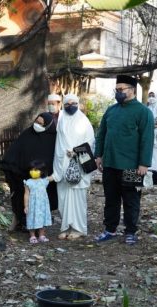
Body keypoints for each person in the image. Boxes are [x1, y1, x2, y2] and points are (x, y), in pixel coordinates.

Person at [94, 75, 154, 245]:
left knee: (131, 199)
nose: (118, 92)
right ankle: (110, 229)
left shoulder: (143, 112)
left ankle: (130, 231)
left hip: (132, 166)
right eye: (117, 89)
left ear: (132, 90)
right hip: (110, 164)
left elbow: (147, 139)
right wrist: (98, 155)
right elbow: (101, 134)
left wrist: (144, 163)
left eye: (121, 89)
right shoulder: (111, 110)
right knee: (111, 198)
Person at [0, 113, 58, 232]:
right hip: (23, 175)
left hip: (42, 178)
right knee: (19, 197)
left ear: (47, 125)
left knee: (40, 202)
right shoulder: (28, 133)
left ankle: (38, 226)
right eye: (36, 122)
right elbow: (15, 150)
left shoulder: (53, 138)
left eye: (41, 123)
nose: (37, 125)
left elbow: (55, 157)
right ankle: (17, 221)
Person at [51, 94, 95, 240]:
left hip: (78, 164)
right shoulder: (61, 119)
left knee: (77, 198)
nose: (70, 105)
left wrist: (76, 151)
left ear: (78, 103)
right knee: (63, 197)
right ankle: (65, 226)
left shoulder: (84, 121)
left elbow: (90, 141)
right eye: (67, 103)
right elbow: (58, 141)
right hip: (62, 163)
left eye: (73, 103)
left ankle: (78, 228)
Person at [24, 160, 54, 244]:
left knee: (42, 219)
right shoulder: (28, 182)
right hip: (32, 205)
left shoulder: (44, 180)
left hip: (42, 205)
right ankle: (32, 236)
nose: (34, 172)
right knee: (31, 219)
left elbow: (53, 177)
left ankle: (41, 235)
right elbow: (26, 194)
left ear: (42, 171)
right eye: (32, 169)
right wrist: (26, 206)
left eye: (36, 170)